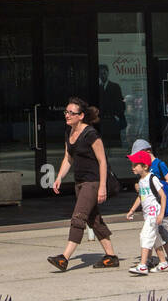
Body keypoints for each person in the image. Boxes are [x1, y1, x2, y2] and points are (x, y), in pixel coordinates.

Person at [47, 98, 120, 271]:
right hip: (79, 182)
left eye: (71, 113)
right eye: (66, 112)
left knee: (78, 217)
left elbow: (103, 161)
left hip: (93, 182)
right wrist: (59, 177)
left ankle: (64, 258)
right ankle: (111, 256)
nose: (67, 115)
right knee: (93, 219)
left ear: (81, 116)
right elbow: (68, 158)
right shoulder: (69, 132)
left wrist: (102, 187)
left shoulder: (90, 134)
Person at [129, 138, 168, 265]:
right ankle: (154, 259)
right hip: (150, 206)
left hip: (159, 206)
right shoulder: (142, 167)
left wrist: (153, 183)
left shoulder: (159, 164)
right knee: (156, 234)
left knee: (159, 233)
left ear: (147, 151)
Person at [126, 151, 168, 276]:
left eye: (135, 165)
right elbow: (140, 197)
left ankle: (143, 265)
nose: (132, 168)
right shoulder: (141, 181)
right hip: (148, 214)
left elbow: (163, 196)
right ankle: (163, 263)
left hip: (154, 213)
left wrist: (161, 214)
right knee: (155, 238)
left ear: (145, 166)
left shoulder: (152, 178)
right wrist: (132, 210)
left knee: (145, 235)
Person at [98, 64, 127, 142]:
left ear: (107, 73)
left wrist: (116, 115)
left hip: (113, 120)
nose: (102, 75)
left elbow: (120, 103)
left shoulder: (115, 87)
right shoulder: (99, 88)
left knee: (114, 141)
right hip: (103, 121)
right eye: (100, 74)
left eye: (104, 73)